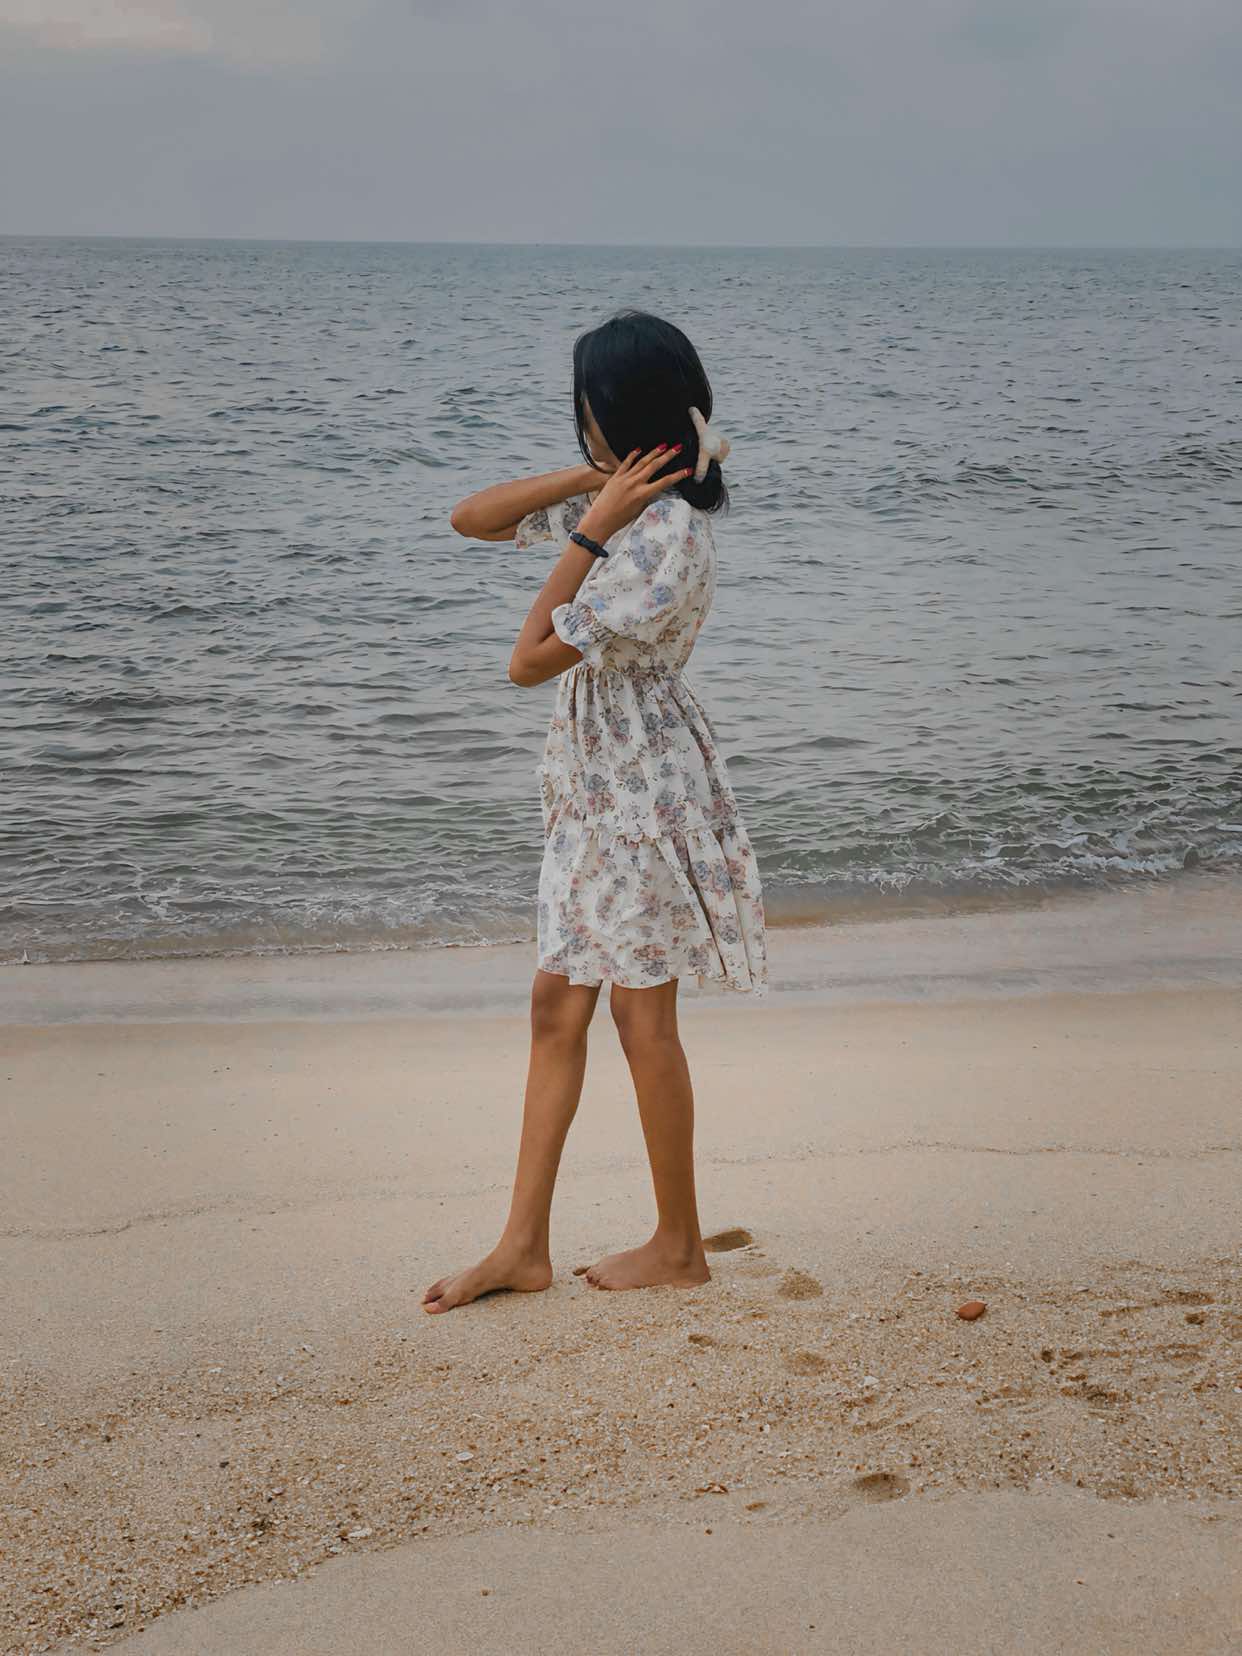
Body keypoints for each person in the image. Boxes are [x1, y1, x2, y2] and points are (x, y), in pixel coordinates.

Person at [423, 310, 767, 1313]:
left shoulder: (666, 539)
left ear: (621, 411)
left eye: (586, 412)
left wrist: (589, 527)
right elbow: (470, 518)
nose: (578, 421)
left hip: (642, 791)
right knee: (558, 1003)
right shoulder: (625, 508)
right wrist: (590, 484)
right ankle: (522, 1246)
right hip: (594, 786)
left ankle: (680, 1244)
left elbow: (527, 660)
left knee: (638, 1011)